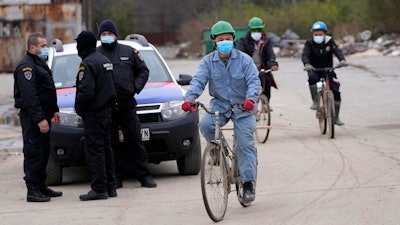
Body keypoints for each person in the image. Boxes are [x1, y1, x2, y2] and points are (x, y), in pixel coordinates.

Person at [181, 21, 260, 203]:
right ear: (214, 42)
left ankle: (248, 184)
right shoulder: (208, 62)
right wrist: (189, 99)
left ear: (233, 39)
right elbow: (198, 81)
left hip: (243, 107)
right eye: (220, 39)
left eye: (228, 38)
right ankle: (219, 151)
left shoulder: (245, 60)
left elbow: (254, 82)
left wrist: (251, 100)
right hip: (220, 106)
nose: (224, 41)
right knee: (205, 124)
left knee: (245, 144)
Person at [97, 19, 156, 188]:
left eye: (109, 33)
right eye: (103, 34)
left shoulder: (130, 51)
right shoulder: (96, 55)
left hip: (127, 104)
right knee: (111, 143)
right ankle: (116, 177)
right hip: (107, 106)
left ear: (116, 35)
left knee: (135, 141)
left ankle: (144, 176)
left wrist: (135, 88)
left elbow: (143, 71)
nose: (107, 36)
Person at [14, 33, 62, 202]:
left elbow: (47, 89)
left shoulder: (38, 63)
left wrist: (54, 110)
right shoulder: (26, 67)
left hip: (44, 116)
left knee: (43, 153)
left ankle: (41, 186)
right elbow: (30, 97)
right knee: (34, 153)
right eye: (42, 46)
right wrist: (40, 119)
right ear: (32, 47)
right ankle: (32, 190)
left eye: (46, 45)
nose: (45, 48)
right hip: (33, 119)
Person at [74, 31, 118, 201]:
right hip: (106, 112)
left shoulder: (87, 63)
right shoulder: (104, 60)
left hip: (94, 113)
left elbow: (86, 91)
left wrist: (79, 108)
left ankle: (99, 188)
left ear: (83, 45)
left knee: (95, 151)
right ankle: (110, 186)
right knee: (107, 149)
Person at [302, 21, 348, 125]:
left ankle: (336, 117)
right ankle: (315, 101)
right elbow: (305, 55)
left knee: (336, 90)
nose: (318, 36)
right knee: (312, 78)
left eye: (320, 34)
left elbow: (337, 51)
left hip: (328, 70)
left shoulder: (330, 42)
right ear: (313, 34)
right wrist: (307, 64)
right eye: (316, 34)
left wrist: (342, 60)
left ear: (325, 34)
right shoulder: (309, 43)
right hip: (315, 69)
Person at [238, 17, 279, 103]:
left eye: (258, 30)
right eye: (254, 31)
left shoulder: (266, 41)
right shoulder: (243, 41)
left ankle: (266, 102)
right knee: (246, 86)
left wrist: (273, 64)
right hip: (248, 70)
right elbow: (241, 55)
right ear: (250, 30)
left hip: (262, 69)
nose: (256, 33)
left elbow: (270, 54)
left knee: (267, 82)